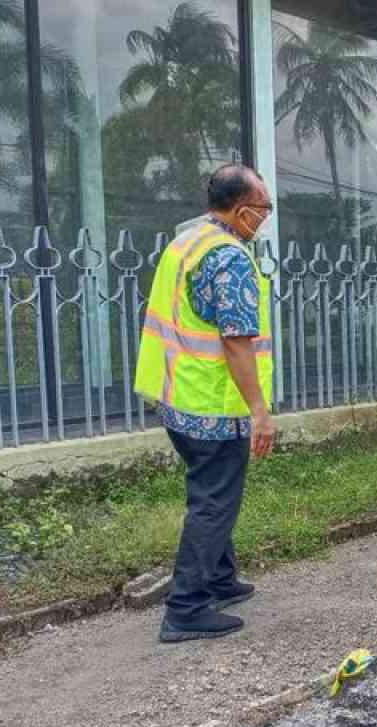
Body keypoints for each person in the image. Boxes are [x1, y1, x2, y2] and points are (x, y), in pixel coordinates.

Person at [135, 163, 277, 644]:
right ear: (241, 211)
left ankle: (220, 579)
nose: (265, 218)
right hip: (213, 404)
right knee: (214, 503)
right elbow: (237, 341)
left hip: (178, 396)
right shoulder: (229, 256)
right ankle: (187, 607)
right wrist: (259, 410)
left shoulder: (185, 242)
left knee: (213, 494)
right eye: (264, 209)